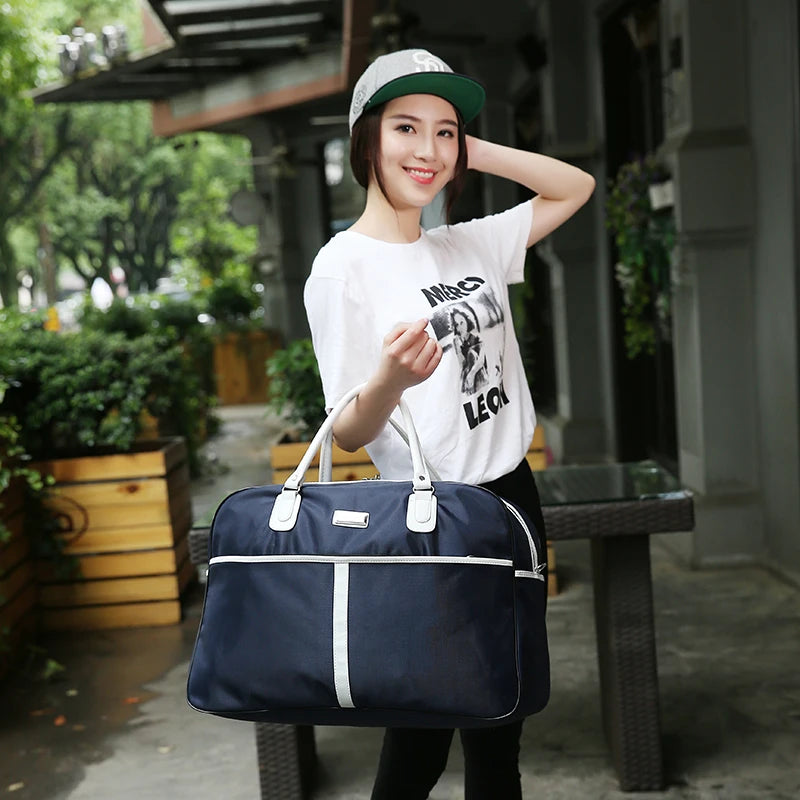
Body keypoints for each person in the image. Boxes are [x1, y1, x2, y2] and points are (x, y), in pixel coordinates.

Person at [304, 48, 594, 800]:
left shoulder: (468, 242)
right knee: (423, 731)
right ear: (366, 138)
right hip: (432, 517)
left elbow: (575, 186)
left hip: (512, 499)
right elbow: (348, 432)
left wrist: (470, 148)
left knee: (502, 723)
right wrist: (390, 380)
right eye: (405, 127)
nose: (426, 150)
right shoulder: (341, 268)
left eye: (444, 131)